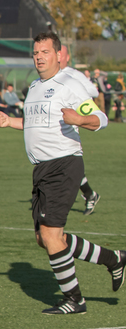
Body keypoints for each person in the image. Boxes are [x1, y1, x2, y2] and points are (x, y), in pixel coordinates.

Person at [0, 31, 125, 315]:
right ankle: (113, 259)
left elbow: (100, 118)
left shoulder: (68, 84)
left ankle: (75, 299)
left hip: (64, 165)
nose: (39, 57)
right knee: (45, 238)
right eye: (36, 53)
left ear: (58, 54)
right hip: (41, 170)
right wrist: (9, 122)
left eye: (45, 52)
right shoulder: (35, 86)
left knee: (52, 235)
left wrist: (79, 119)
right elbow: (32, 123)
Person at [58, 46, 102, 215]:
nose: (59, 56)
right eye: (56, 53)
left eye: (62, 54)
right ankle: (89, 194)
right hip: (53, 124)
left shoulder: (73, 75)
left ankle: (88, 194)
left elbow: (93, 91)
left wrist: (75, 94)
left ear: (67, 57)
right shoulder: (48, 76)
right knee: (63, 165)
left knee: (68, 163)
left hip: (69, 121)